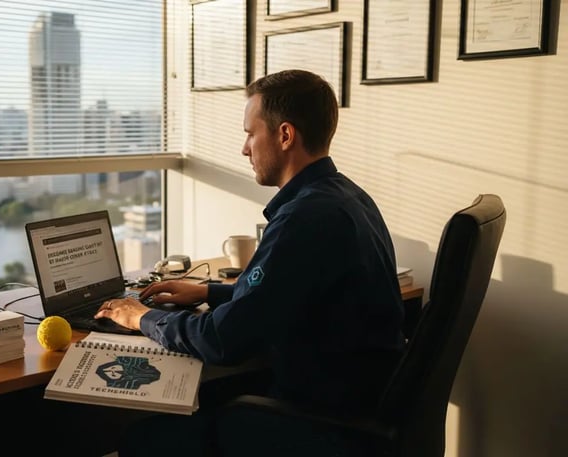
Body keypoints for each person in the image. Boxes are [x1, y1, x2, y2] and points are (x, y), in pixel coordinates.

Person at [95, 69, 405, 456]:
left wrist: (140, 316)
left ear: (285, 135)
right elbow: (287, 291)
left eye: (250, 133)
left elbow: (223, 340)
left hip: (321, 422)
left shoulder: (304, 219)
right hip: (359, 405)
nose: (245, 148)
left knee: (142, 437)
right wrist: (209, 290)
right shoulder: (347, 197)